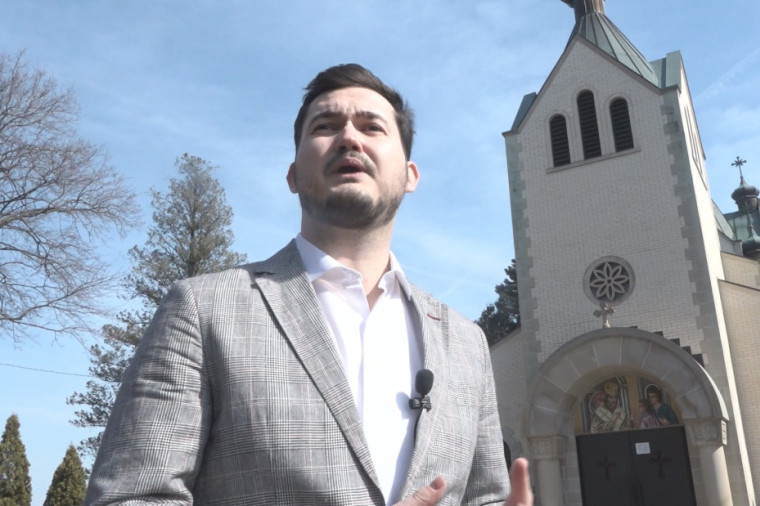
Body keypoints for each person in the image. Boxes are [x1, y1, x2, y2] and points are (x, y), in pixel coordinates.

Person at [85, 63, 532, 506]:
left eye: (372, 127)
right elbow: (130, 497)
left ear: (410, 175)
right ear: (294, 175)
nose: (349, 138)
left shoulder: (467, 343)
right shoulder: (202, 310)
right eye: (325, 126)